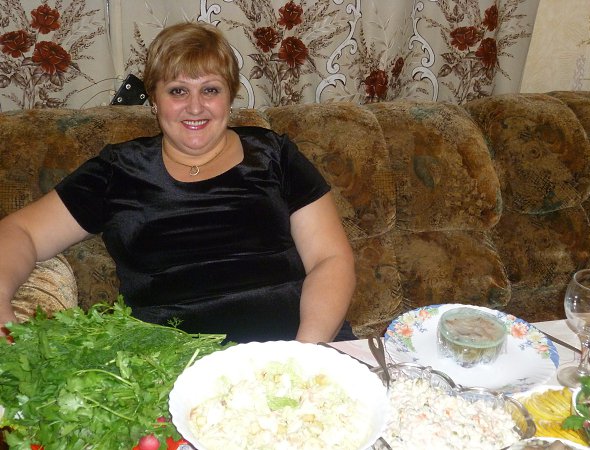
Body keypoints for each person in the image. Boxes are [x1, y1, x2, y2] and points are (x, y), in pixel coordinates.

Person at [0, 21, 356, 344]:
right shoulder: (117, 170)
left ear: (230, 97)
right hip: (172, 366)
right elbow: (21, 232)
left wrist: (305, 357)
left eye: (210, 90)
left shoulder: (274, 155)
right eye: (178, 91)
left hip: (301, 346)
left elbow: (330, 259)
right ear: (154, 100)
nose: (195, 107)